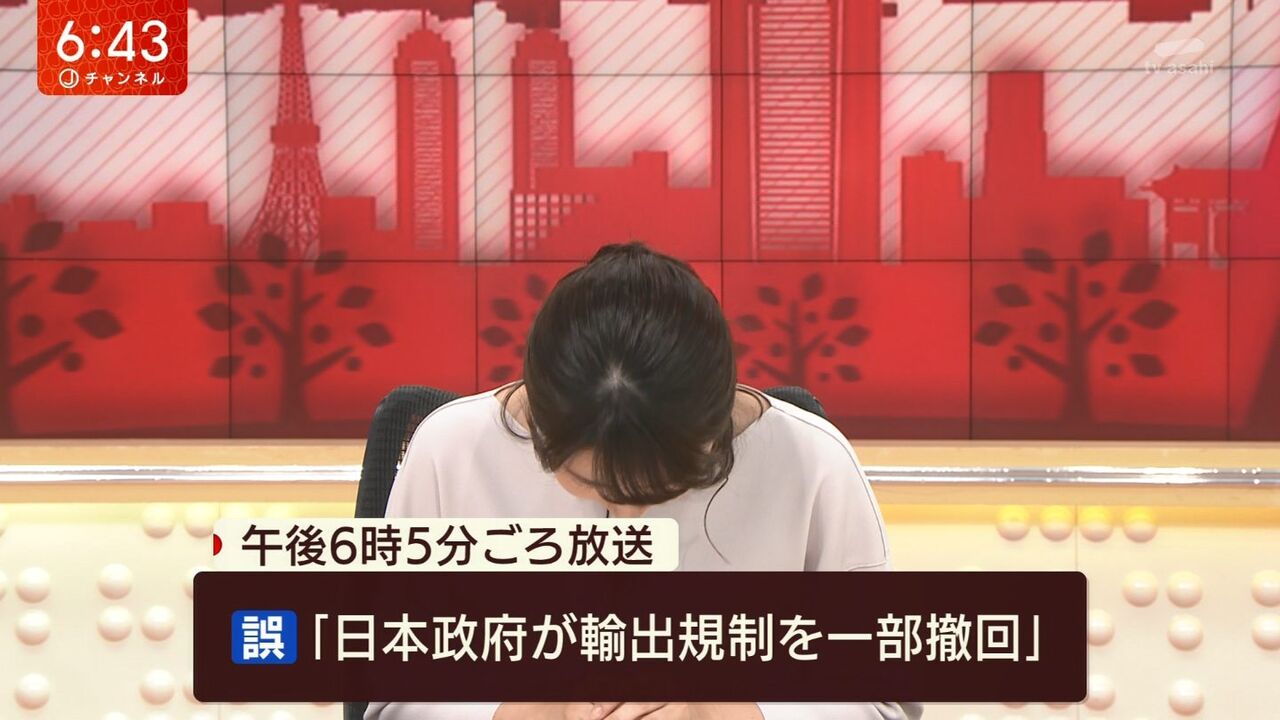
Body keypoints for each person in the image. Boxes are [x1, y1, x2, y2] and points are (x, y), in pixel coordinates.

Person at [365, 243, 923, 720]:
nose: (629, 522)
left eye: (664, 487)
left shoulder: (813, 461)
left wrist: (724, 711)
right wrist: (521, 710)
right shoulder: (449, 451)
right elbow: (390, 694)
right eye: (593, 484)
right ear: (540, 425)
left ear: (714, 424)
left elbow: (882, 701)